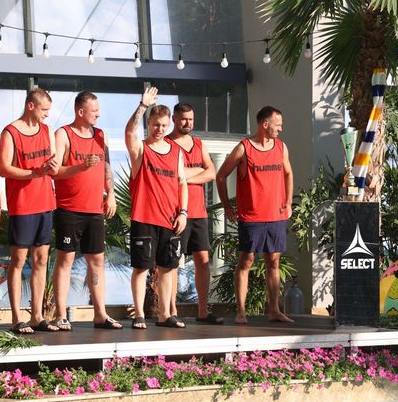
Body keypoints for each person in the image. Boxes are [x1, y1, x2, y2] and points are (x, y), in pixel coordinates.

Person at [216, 106, 294, 324]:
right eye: (278, 125)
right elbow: (220, 176)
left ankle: (274, 310)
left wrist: (288, 202)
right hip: (251, 217)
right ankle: (241, 312)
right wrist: (227, 207)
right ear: (265, 125)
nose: (281, 129)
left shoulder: (281, 147)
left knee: (274, 261)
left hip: (276, 215)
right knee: (246, 261)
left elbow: (288, 173)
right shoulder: (244, 148)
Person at [51, 91, 122, 330]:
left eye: (99, 110)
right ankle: (61, 315)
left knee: (97, 260)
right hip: (69, 208)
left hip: (94, 208)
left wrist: (111, 194)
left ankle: (100, 314)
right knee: (66, 259)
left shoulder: (101, 135)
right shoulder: (63, 134)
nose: (98, 115)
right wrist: (81, 166)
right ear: (80, 111)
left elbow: (107, 166)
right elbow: (55, 172)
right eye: (94, 111)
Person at [125, 86, 188, 329]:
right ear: (149, 124)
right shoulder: (141, 149)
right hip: (144, 217)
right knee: (141, 267)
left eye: (163, 125)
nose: (159, 129)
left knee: (167, 268)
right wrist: (142, 106)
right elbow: (129, 132)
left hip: (170, 219)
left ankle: (164, 315)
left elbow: (182, 183)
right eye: (155, 125)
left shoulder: (176, 152)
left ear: (169, 125)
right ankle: (139, 314)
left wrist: (183, 212)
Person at [0, 87, 59, 334]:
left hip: (46, 202)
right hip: (22, 205)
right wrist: (35, 172)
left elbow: (54, 164)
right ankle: (16, 318)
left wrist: (52, 167)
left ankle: (37, 316)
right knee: (18, 261)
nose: (47, 114)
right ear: (31, 106)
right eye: (44, 109)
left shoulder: (47, 130)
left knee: (41, 259)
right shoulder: (10, 132)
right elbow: (4, 168)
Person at [166, 103, 224, 325]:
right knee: (172, 262)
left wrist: (183, 177)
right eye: (183, 119)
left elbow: (211, 173)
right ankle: (171, 310)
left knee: (203, 259)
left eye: (190, 119)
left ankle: (202, 311)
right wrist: (195, 172)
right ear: (174, 118)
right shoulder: (166, 144)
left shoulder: (199, 144)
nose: (187, 123)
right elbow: (169, 176)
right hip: (176, 212)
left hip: (199, 212)